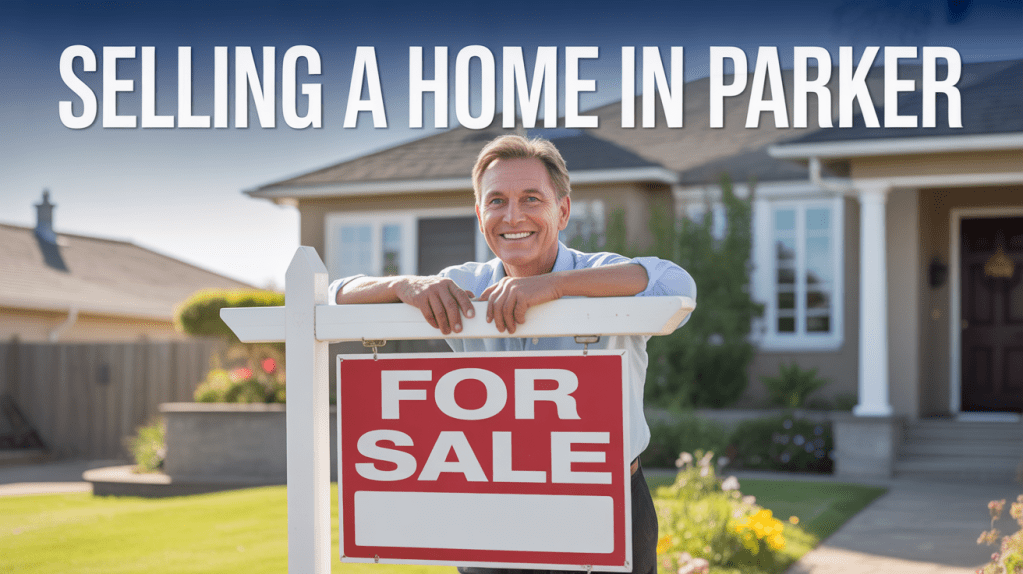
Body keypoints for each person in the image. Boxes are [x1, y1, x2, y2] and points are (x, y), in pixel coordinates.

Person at [329, 134, 696, 574]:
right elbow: (333, 296)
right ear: (481, 214)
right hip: (490, 504)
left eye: (531, 199)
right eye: (497, 201)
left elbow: (677, 286)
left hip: (604, 499)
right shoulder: (462, 283)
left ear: (561, 211)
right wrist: (401, 284)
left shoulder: (601, 274)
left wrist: (555, 286)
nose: (513, 215)